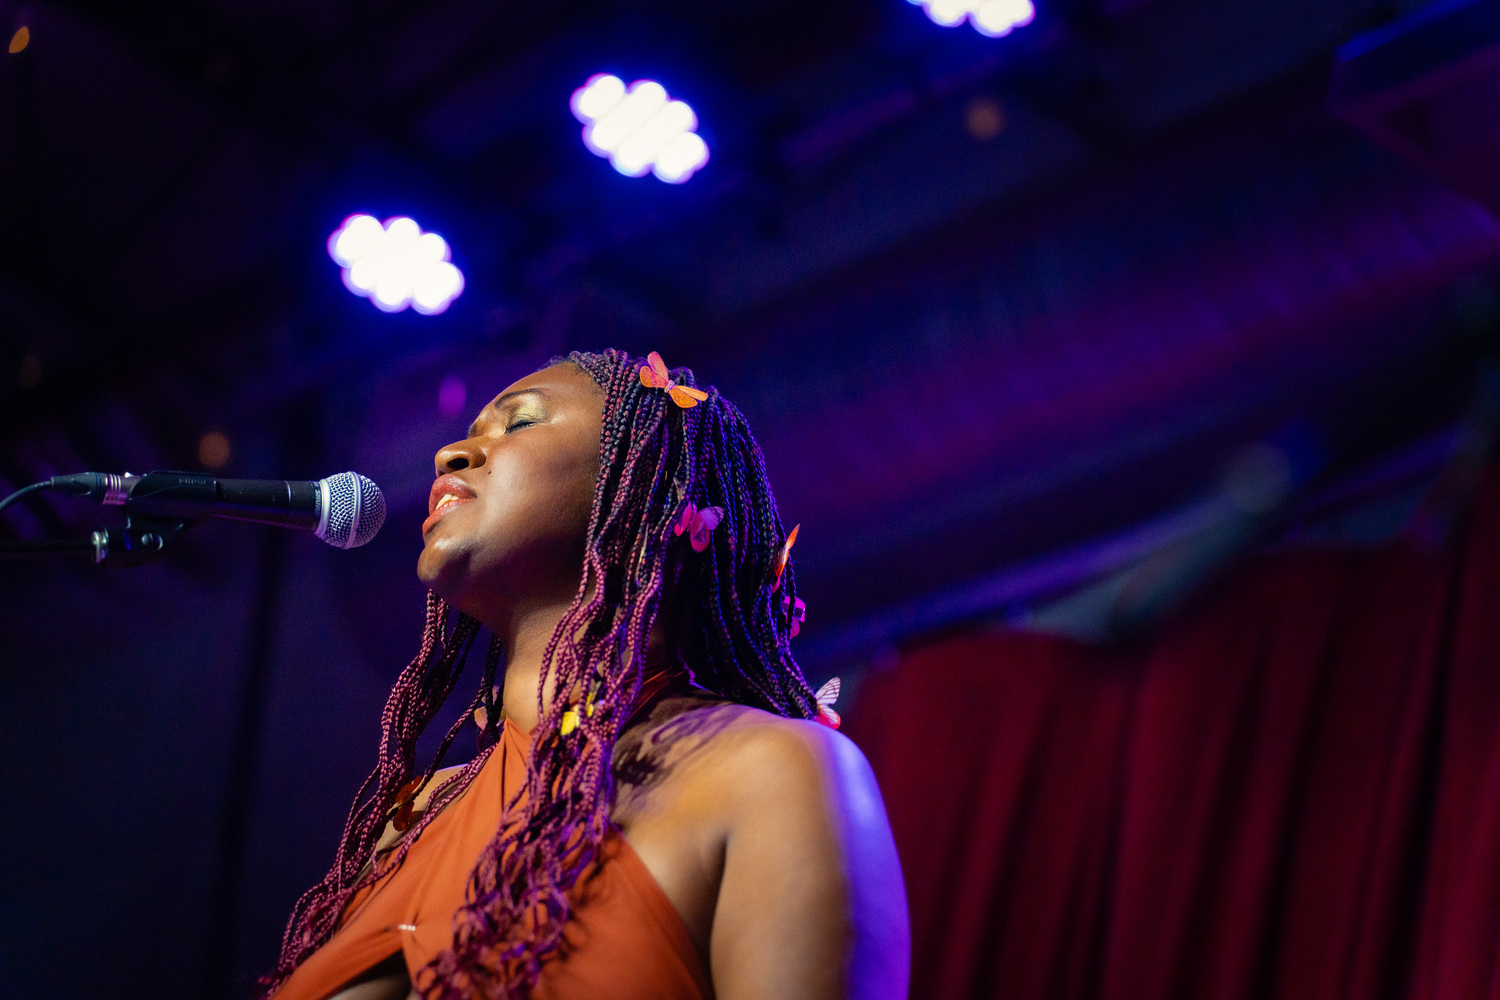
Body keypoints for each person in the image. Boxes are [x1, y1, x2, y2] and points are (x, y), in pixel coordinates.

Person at [259, 349, 910, 1000]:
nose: (449, 455)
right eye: (470, 434)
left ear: (646, 480)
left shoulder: (767, 771)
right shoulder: (409, 824)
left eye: (520, 422)